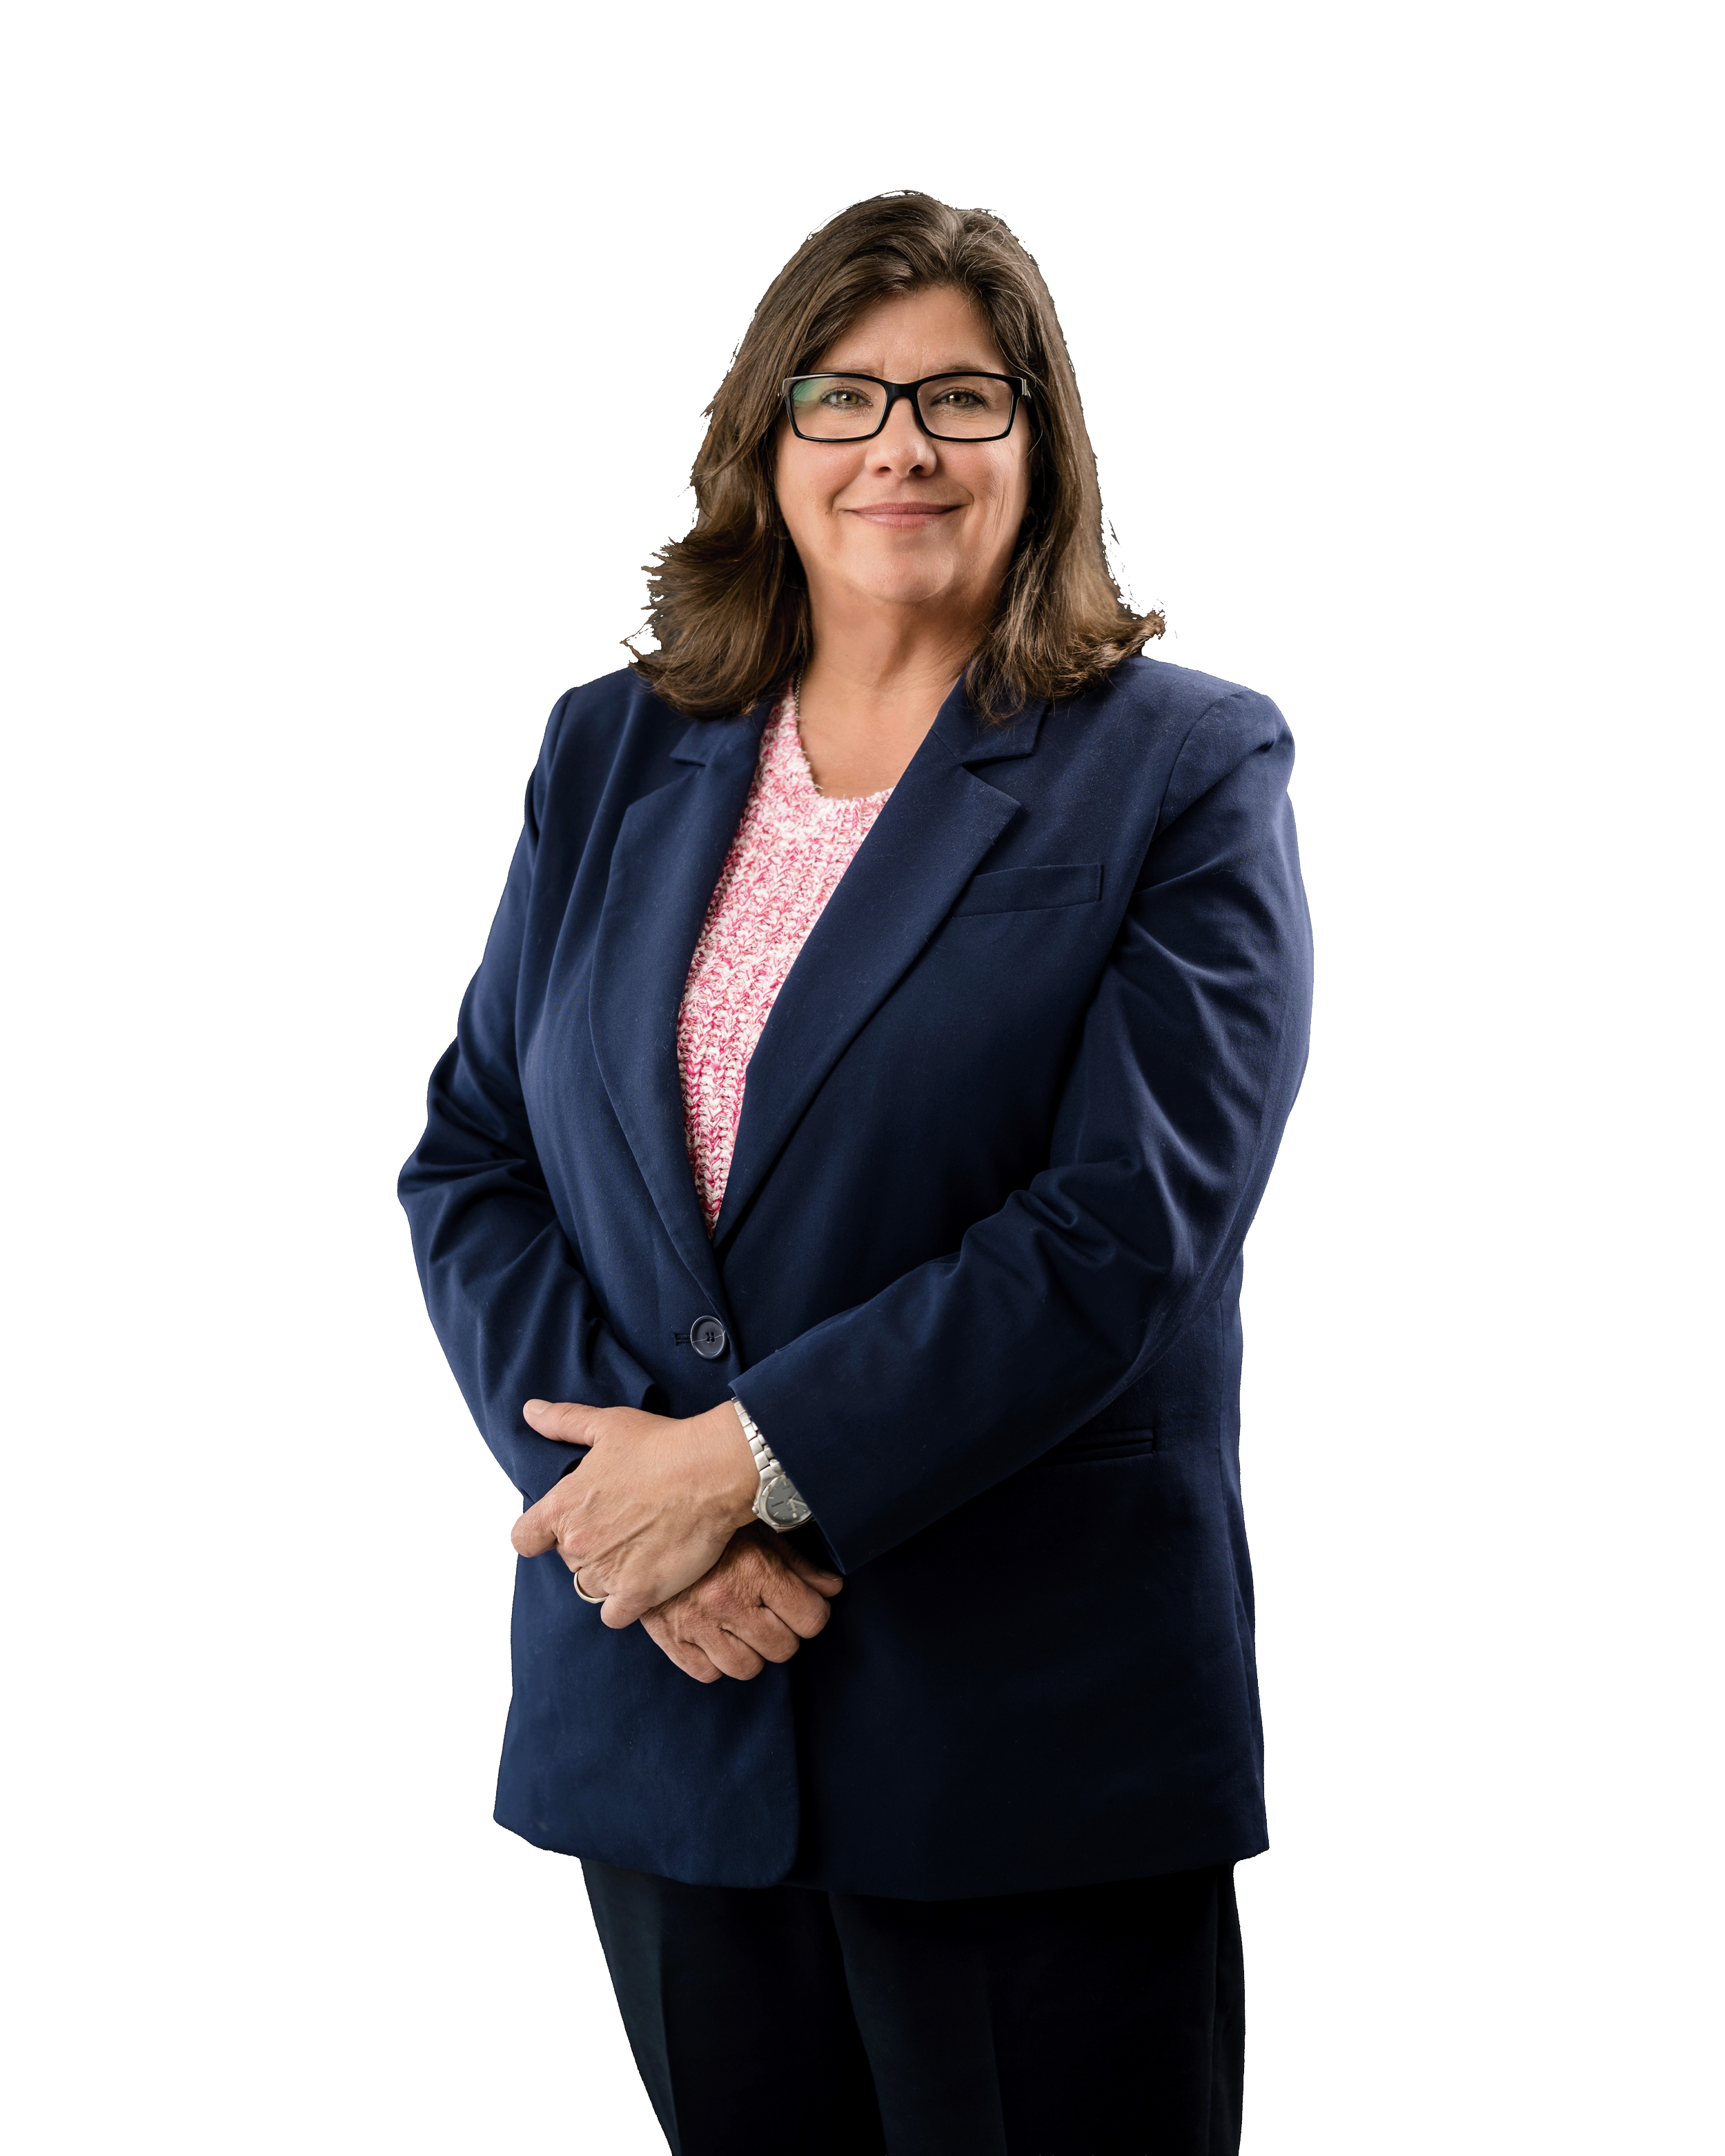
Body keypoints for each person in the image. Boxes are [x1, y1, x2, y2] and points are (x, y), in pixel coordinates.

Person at [397, 190, 1313, 2155]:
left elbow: (1118, 1227)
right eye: (845, 395)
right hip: (670, 1710)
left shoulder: (1180, 769)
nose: (901, 442)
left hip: (1018, 1726)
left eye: (961, 398)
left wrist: (741, 1468)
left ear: (1039, 450)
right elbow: (474, 1153)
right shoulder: (609, 752)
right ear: (763, 445)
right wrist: (625, 1499)